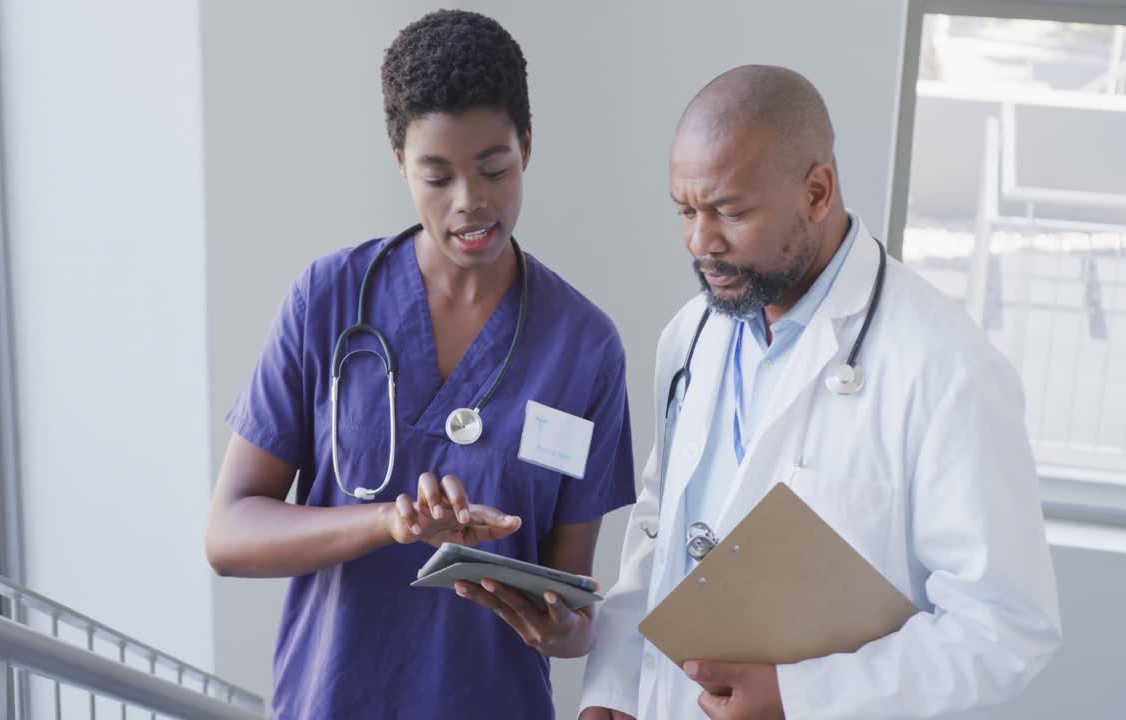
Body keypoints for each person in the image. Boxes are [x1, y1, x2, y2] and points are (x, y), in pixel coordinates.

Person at [579, 65, 1061, 720]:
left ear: (817, 191)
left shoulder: (947, 369)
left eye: (730, 211)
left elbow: (1004, 627)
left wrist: (802, 697)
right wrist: (614, 687)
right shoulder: (692, 335)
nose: (701, 242)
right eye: (686, 211)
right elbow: (662, 526)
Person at [204, 10, 636, 719]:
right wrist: (389, 524)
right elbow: (228, 535)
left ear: (527, 145)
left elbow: (572, 599)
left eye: (494, 168)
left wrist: (566, 629)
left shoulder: (584, 346)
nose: (470, 202)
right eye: (436, 176)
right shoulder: (329, 299)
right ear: (400, 162)